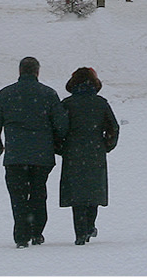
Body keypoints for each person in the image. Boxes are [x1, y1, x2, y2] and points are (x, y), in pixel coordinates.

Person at [0, 56, 69, 248]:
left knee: (18, 196)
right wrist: (57, 145)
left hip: (15, 155)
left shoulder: (6, 94)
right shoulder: (48, 94)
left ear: (20, 71)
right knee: (38, 192)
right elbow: (61, 124)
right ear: (37, 72)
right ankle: (37, 231)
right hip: (42, 156)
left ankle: (21, 235)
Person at [58, 67, 119, 246]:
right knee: (93, 191)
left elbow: (58, 129)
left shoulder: (67, 104)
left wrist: (62, 148)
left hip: (72, 152)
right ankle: (90, 226)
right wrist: (106, 146)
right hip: (95, 152)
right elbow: (113, 128)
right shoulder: (101, 103)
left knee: (77, 194)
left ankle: (79, 232)